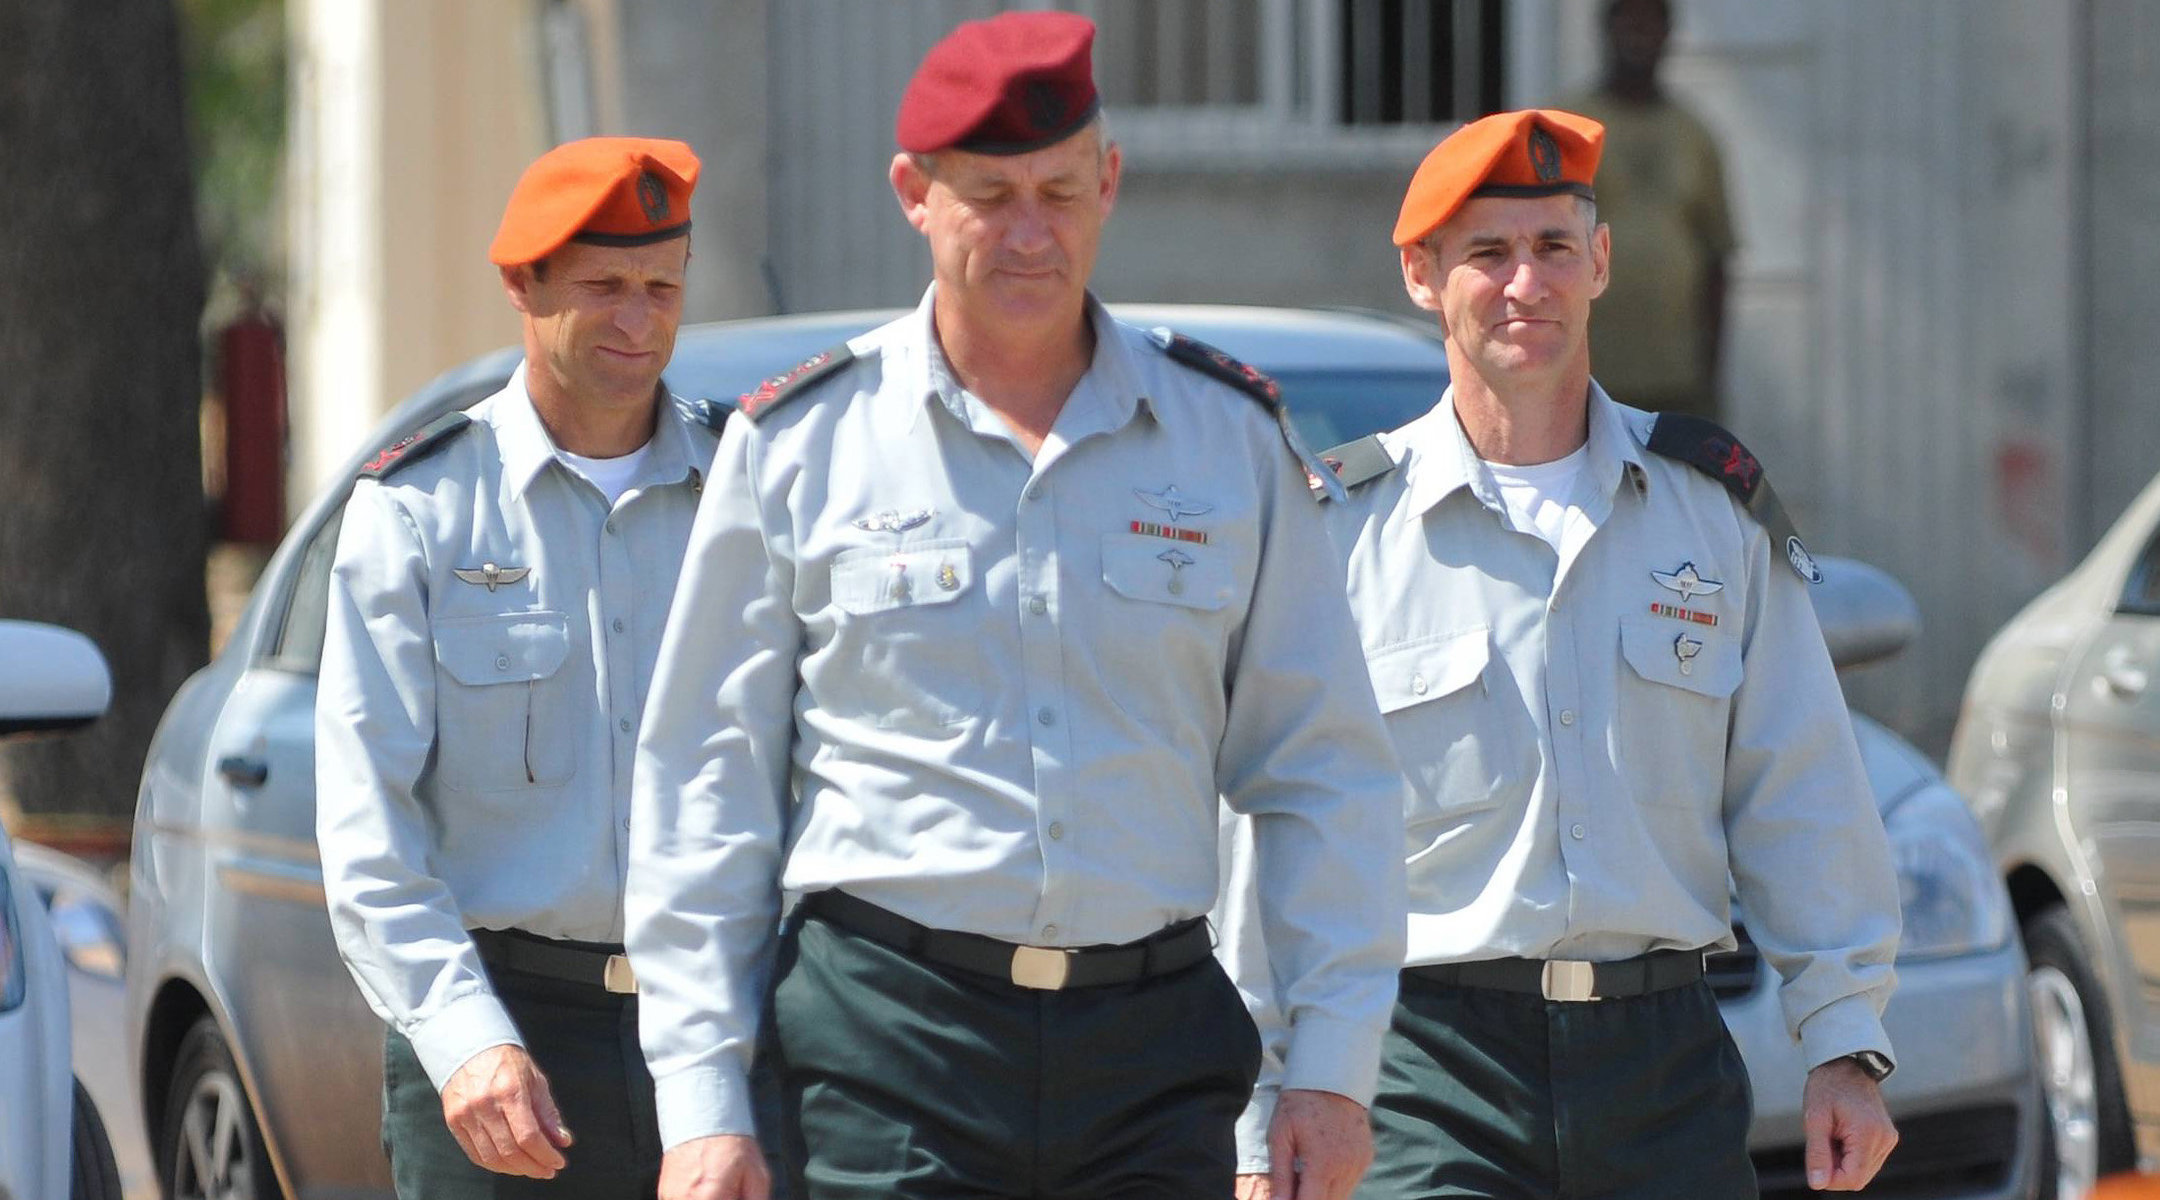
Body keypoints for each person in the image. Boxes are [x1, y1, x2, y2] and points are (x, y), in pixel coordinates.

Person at [621, 11, 1406, 1200]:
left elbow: (1322, 773)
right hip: (888, 1041)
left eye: (1060, 189)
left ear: (1110, 185)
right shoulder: (801, 446)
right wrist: (701, 1102)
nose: (1030, 232)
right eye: (989, 194)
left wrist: (1334, 1070)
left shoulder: (1226, 439)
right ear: (913, 193)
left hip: (1151, 1053)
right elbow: (705, 786)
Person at [1243, 109, 1902, 1199]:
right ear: (1421, 275)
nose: (1525, 285)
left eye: (1553, 247)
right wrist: (1262, 1101)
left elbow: (1800, 788)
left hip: (1665, 1068)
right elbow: (1269, 838)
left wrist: (1843, 1041)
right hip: (1424, 1069)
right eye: (1487, 254)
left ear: (1599, 261)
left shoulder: (1710, 512)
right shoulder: (1337, 533)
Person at [316, 137, 725, 1199]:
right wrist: (465, 1038)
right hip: (503, 1042)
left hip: (723, 1038)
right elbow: (370, 831)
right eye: (602, 286)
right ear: (520, 282)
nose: (639, 320)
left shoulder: (751, 495)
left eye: (661, 286)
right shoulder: (420, 511)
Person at [1561, 0, 1736, 424]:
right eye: (1628, 20)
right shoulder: (1568, 128)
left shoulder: (1694, 134)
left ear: (1668, 35)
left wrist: (1711, 372)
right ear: (1606, 30)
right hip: (1586, 374)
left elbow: (1717, 257)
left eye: (1650, 22)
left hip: (1676, 379)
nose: (1638, 34)